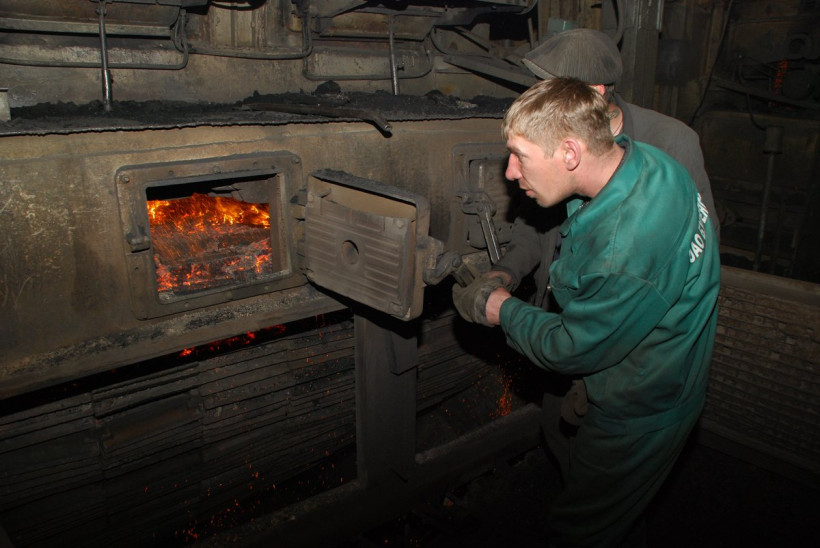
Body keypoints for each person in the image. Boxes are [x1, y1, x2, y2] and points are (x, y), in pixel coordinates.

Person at [452, 77, 720, 547]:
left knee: (582, 530)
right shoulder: (650, 164)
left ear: (571, 153)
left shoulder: (623, 249)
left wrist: (501, 309)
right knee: (620, 520)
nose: (510, 172)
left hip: (639, 409)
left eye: (520, 156)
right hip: (670, 372)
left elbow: (571, 347)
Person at [487, 27, 720, 481]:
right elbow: (535, 224)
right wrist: (506, 274)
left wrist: (507, 313)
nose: (539, 101)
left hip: (624, 353)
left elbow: (695, 249)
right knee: (562, 441)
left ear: (592, 94)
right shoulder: (600, 154)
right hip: (569, 322)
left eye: (551, 90)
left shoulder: (669, 144)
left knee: (601, 494)